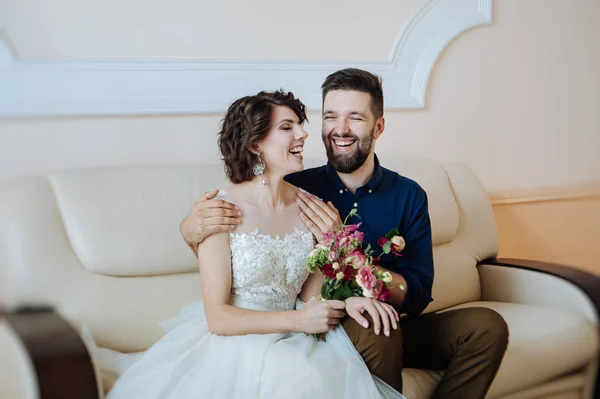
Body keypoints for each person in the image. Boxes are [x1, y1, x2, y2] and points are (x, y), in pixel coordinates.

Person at [180, 68, 510, 398]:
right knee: (376, 330)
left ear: (378, 126)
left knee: (486, 327)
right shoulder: (297, 186)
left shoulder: (408, 195)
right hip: (346, 325)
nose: (340, 128)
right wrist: (189, 231)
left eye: (355, 118)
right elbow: (242, 248)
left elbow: (418, 294)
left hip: (386, 318)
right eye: (330, 116)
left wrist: (348, 254)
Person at [106, 90, 406, 398]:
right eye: (287, 127)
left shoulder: (312, 208)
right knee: (296, 381)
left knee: (313, 376)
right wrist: (298, 320)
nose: (303, 134)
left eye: (299, 125)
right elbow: (218, 317)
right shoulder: (220, 211)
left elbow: (310, 297)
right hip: (238, 339)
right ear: (255, 144)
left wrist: (347, 301)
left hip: (296, 335)